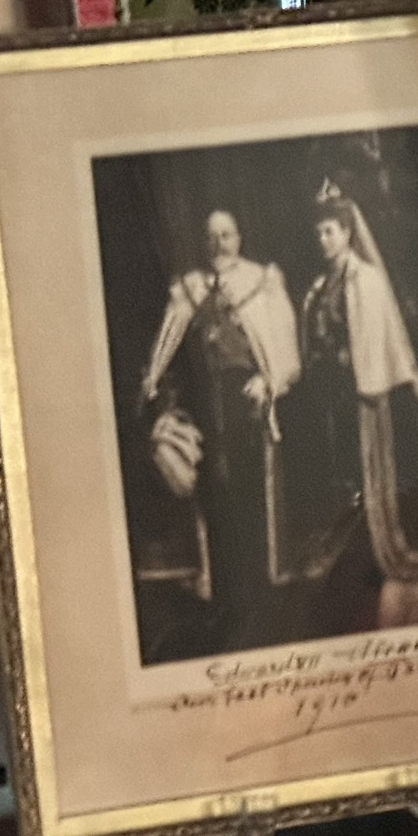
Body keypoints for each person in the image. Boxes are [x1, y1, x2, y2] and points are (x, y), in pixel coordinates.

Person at [301, 179, 418, 629]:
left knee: (373, 471)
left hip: (365, 390)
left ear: (347, 232)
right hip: (336, 394)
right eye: (320, 233)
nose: (324, 240)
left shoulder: (363, 279)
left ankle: (387, 550)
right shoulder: (323, 284)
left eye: (331, 231)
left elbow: (368, 340)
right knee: (344, 472)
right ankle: (351, 555)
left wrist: (354, 370)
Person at [140, 210, 302, 604]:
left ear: (239, 238)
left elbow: (284, 351)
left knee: (248, 489)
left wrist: (268, 381)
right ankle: (222, 585)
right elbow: (169, 348)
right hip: (206, 404)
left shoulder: (261, 282)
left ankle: (258, 584)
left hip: (246, 402)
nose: (219, 245)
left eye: (226, 236)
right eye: (211, 237)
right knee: (213, 490)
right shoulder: (191, 287)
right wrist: (158, 386)